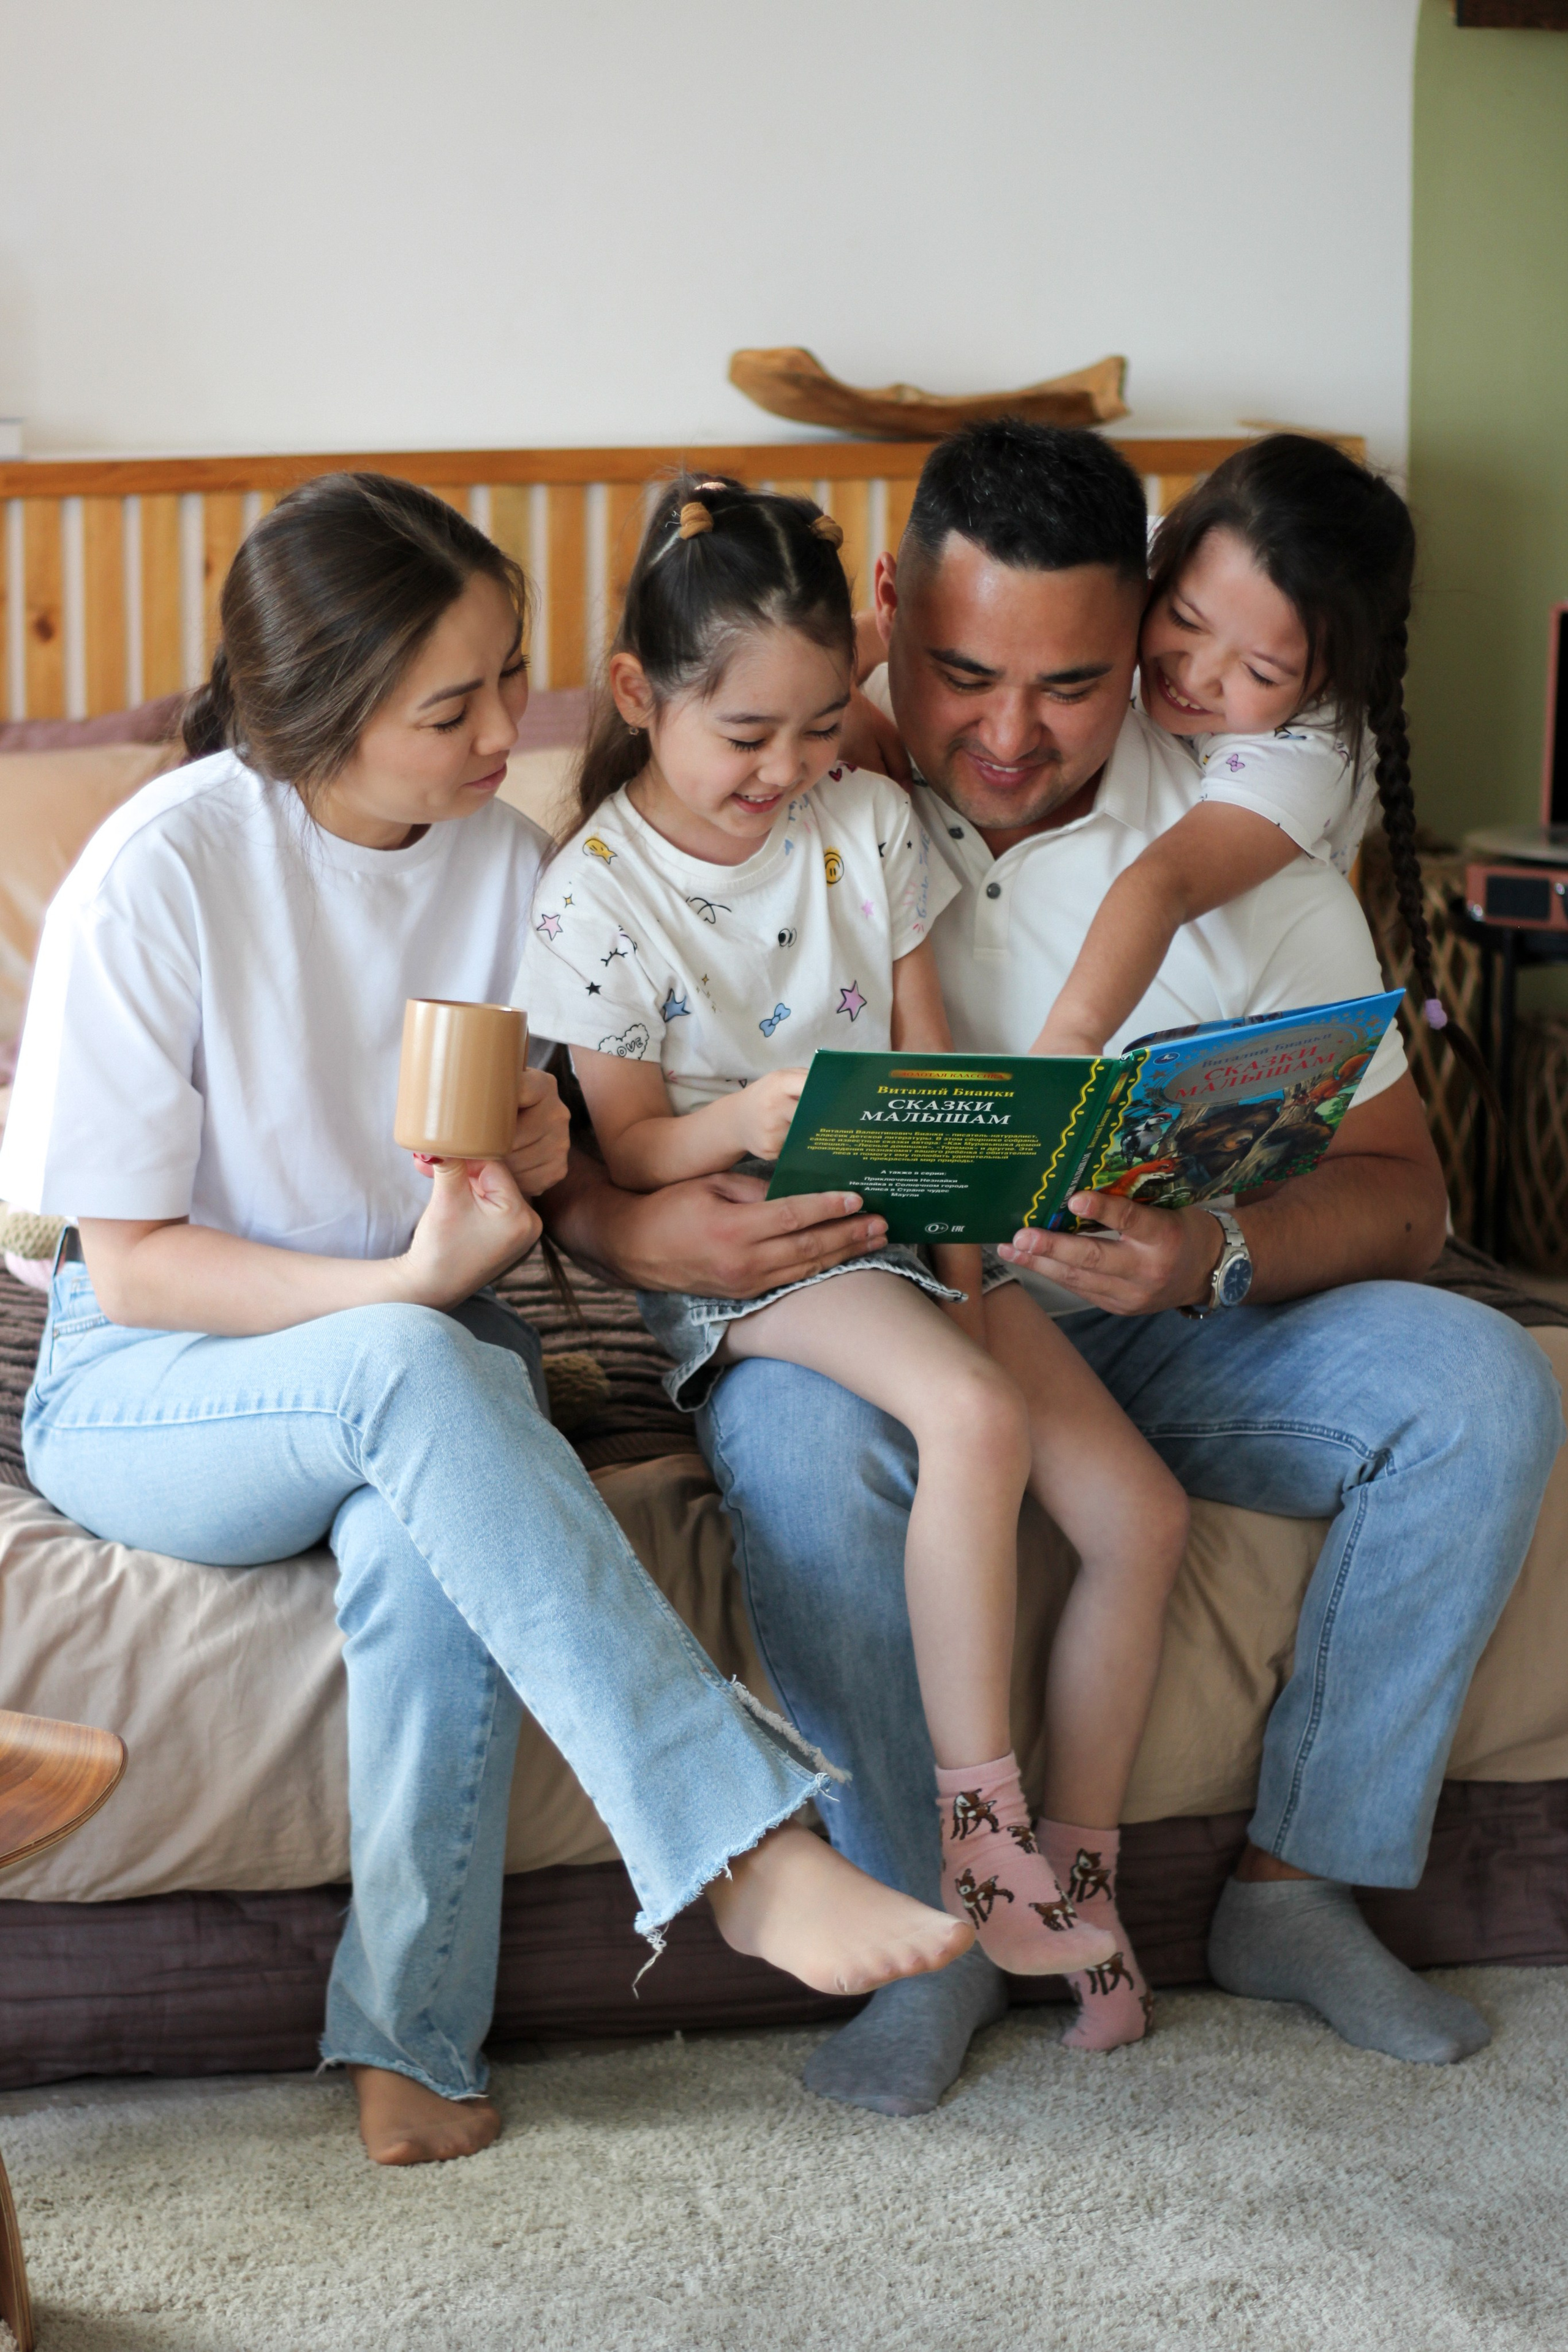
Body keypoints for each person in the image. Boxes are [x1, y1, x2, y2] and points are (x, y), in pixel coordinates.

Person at [542, 421, 1564, 2115]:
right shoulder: (791, 779)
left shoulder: (1247, 825)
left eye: (1076, 686)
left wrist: (1208, 1251)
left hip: (1167, 1327)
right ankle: (935, 1913)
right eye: (959, 674)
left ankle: (1296, 1896)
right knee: (811, 1440)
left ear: (1148, 627)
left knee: (1485, 1390)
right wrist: (635, 1227)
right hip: (896, 1302)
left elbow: (1405, 1201)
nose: (1009, 735)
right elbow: (590, 1132)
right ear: (884, 612)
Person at [0, 472, 970, 2168]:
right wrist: (398, 1291)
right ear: (314, 718)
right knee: (417, 1368)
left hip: (423, 1369)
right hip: (161, 1379)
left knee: (429, 1521)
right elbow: (137, 1265)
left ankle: (412, 2043)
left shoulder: (513, 862)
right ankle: (740, 1844)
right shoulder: (163, 872)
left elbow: (549, 1164)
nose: (506, 730)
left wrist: (531, 1161)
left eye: (509, 680)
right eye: (453, 706)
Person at [521, 476, 1186, 2011]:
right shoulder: (592, 901)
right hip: (762, 1254)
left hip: (904, 1230)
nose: (786, 770)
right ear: (637, 694)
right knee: (970, 1415)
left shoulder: (868, 825)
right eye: (745, 736)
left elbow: (927, 1055)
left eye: (820, 726)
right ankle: (982, 1843)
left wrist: (971, 1266)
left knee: (1136, 1514)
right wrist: (748, 1113)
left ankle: (1078, 1888)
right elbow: (627, 1147)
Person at [1032, 434, 1488, 1121]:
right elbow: (933, 622)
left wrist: (1069, 1041)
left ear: (1328, 681)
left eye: (1259, 673)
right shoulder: (1159, 554)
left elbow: (1163, 884)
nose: (1194, 674)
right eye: (1183, 619)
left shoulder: (1310, 751)